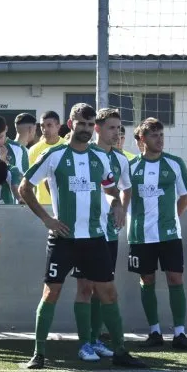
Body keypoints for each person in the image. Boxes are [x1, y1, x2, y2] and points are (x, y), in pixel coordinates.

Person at [19, 103, 144, 369]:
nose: (86, 129)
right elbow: (24, 187)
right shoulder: (55, 156)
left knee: (108, 294)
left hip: (95, 239)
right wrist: (47, 218)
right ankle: (38, 353)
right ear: (71, 123)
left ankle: (120, 350)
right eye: (81, 123)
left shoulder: (99, 158)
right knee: (51, 293)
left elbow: (111, 190)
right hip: (63, 239)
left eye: (90, 125)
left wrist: (118, 205)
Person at [126, 117, 187, 351]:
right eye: (154, 135)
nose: (160, 139)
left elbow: (186, 196)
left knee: (175, 279)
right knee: (146, 280)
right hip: (140, 235)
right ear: (142, 139)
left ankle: (179, 333)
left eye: (161, 134)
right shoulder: (132, 167)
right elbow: (121, 197)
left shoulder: (174, 163)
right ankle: (154, 331)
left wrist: (172, 218)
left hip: (169, 235)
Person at [70, 108, 131, 359]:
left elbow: (125, 189)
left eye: (118, 128)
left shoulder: (121, 159)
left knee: (103, 287)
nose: (116, 133)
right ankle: (85, 342)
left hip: (109, 233)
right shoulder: (80, 153)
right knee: (85, 286)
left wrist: (121, 211)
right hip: (83, 232)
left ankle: (96, 338)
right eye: (111, 128)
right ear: (97, 128)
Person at [0, 114, 26, 204]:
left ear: (6, 129)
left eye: (1, 136)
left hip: (9, 203)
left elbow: (23, 178)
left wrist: (4, 162)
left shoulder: (18, 149)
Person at [27, 111, 67, 206]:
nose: (45, 129)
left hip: (64, 203)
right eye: (42, 126)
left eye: (49, 125)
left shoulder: (67, 146)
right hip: (42, 204)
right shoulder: (33, 150)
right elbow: (30, 181)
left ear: (58, 126)